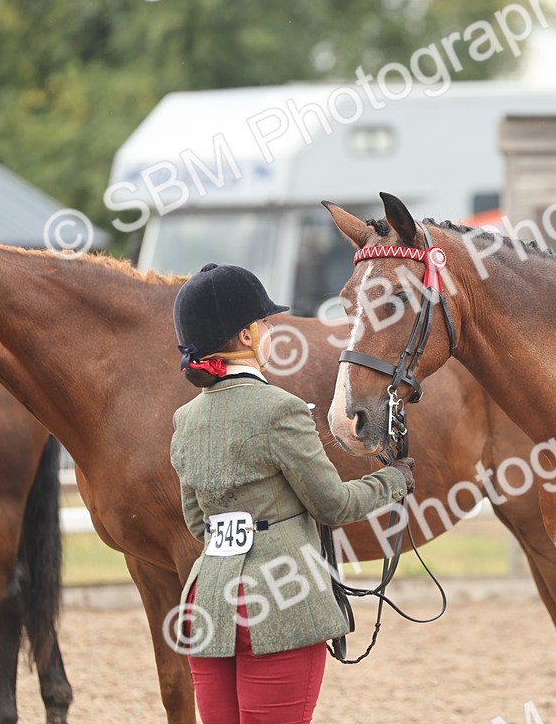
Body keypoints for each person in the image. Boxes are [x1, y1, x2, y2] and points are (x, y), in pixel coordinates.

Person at [170, 263, 414, 724]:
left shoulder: (185, 420)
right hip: (278, 598)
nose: (266, 330)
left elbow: (198, 523)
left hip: (209, 600)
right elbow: (333, 506)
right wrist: (394, 479)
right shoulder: (279, 409)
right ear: (245, 336)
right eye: (261, 323)